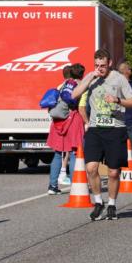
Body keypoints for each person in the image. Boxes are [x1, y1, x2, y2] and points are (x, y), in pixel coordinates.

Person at [71, 49, 132, 221]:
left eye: (102, 65)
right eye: (96, 65)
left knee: (114, 172)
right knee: (91, 168)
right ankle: (98, 202)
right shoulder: (91, 79)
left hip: (116, 129)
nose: (99, 68)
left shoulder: (119, 78)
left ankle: (112, 204)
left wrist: (118, 100)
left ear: (109, 63)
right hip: (95, 128)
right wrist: (89, 77)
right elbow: (74, 95)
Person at [47, 65, 83, 194]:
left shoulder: (60, 86)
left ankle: (52, 186)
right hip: (72, 120)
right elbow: (81, 105)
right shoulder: (79, 86)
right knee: (74, 153)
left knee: (57, 154)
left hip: (58, 122)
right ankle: (75, 186)